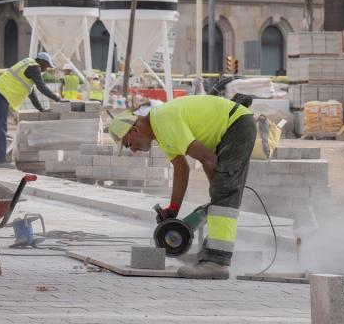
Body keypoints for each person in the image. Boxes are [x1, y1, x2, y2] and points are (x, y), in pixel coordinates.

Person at [108, 95, 255, 280]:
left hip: (237, 126)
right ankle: (208, 254)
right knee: (220, 197)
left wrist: (219, 195)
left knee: (223, 192)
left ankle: (217, 262)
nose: (133, 150)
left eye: (128, 144)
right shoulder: (160, 132)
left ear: (135, 130)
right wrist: (173, 209)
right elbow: (181, 169)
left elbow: (208, 160)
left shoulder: (164, 121)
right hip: (231, 127)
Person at [0, 52, 63, 167]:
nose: (45, 69)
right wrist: (58, 99)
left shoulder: (29, 66)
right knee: (1, 127)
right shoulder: (34, 67)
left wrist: (41, 109)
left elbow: (31, 93)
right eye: (46, 66)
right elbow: (42, 87)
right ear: (41, 62)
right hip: (1, 93)